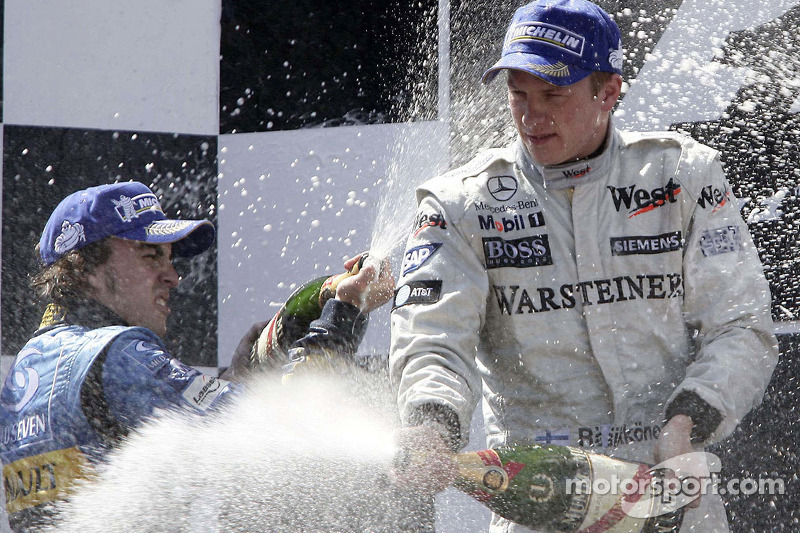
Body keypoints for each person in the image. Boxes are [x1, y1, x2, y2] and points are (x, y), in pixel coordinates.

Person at [389, 1, 778, 531]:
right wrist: (431, 423)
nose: (531, 115)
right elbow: (433, 342)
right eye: (518, 94)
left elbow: (740, 327)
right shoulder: (461, 205)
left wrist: (689, 419)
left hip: (672, 500)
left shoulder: (683, 174)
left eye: (554, 94)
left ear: (609, 92)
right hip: (540, 507)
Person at [0, 181, 393, 532]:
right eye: (151, 255)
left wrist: (266, 350)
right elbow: (282, 426)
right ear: (86, 269)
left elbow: (201, 411)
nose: (172, 276)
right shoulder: (118, 353)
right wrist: (345, 312)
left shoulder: (30, 364)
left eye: (170, 258)